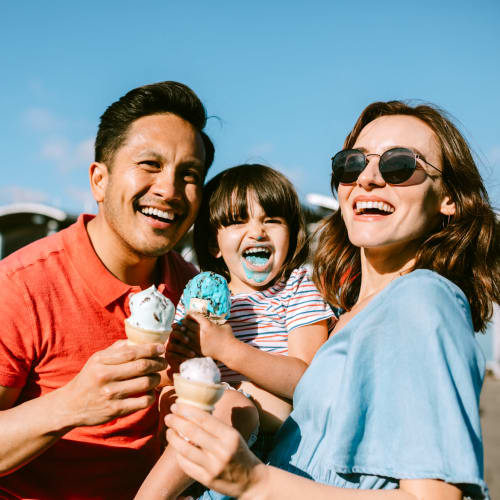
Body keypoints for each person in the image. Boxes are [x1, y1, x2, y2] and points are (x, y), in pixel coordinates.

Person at [163, 101, 499, 499]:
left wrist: (255, 482)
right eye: (352, 164)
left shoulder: (423, 298)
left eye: (399, 165)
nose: (368, 179)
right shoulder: (346, 317)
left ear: (449, 197)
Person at [0, 81, 214, 499]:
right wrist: (71, 405)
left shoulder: (195, 294)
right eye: (149, 164)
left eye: (188, 174)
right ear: (99, 180)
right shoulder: (22, 287)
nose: (169, 190)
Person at [136, 164, 335, 499]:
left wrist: (227, 350)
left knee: (230, 404)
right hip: (197, 453)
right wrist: (177, 360)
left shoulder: (298, 289)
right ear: (214, 244)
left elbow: (307, 381)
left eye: (271, 219)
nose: (257, 232)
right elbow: (170, 383)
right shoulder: (197, 296)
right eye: (238, 220)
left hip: (272, 453)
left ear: (292, 233)